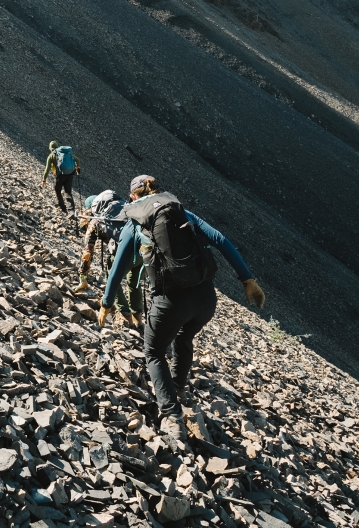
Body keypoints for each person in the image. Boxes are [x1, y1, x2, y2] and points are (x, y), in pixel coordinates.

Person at [99, 175, 265, 442]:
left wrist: (107, 303)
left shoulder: (135, 221)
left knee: (153, 351)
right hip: (205, 298)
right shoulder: (179, 211)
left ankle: (172, 415)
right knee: (184, 337)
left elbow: (118, 267)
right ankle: (177, 388)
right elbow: (220, 239)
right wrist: (247, 279)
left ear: (132, 197)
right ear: (157, 191)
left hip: (170, 302)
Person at [77, 190, 142, 325]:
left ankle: (126, 316)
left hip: (125, 250)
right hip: (142, 248)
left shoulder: (96, 220)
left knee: (112, 278)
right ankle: (138, 320)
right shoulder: (120, 210)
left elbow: (88, 252)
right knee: (134, 283)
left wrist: (83, 277)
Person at [40, 141, 81, 213]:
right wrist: (77, 168)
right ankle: (71, 210)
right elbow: (77, 159)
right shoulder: (66, 153)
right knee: (68, 192)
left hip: (60, 176)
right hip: (70, 174)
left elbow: (47, 169)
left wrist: (44, 180)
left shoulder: (51, 156)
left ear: (50, 148)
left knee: (57, 190)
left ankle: (63, 208)